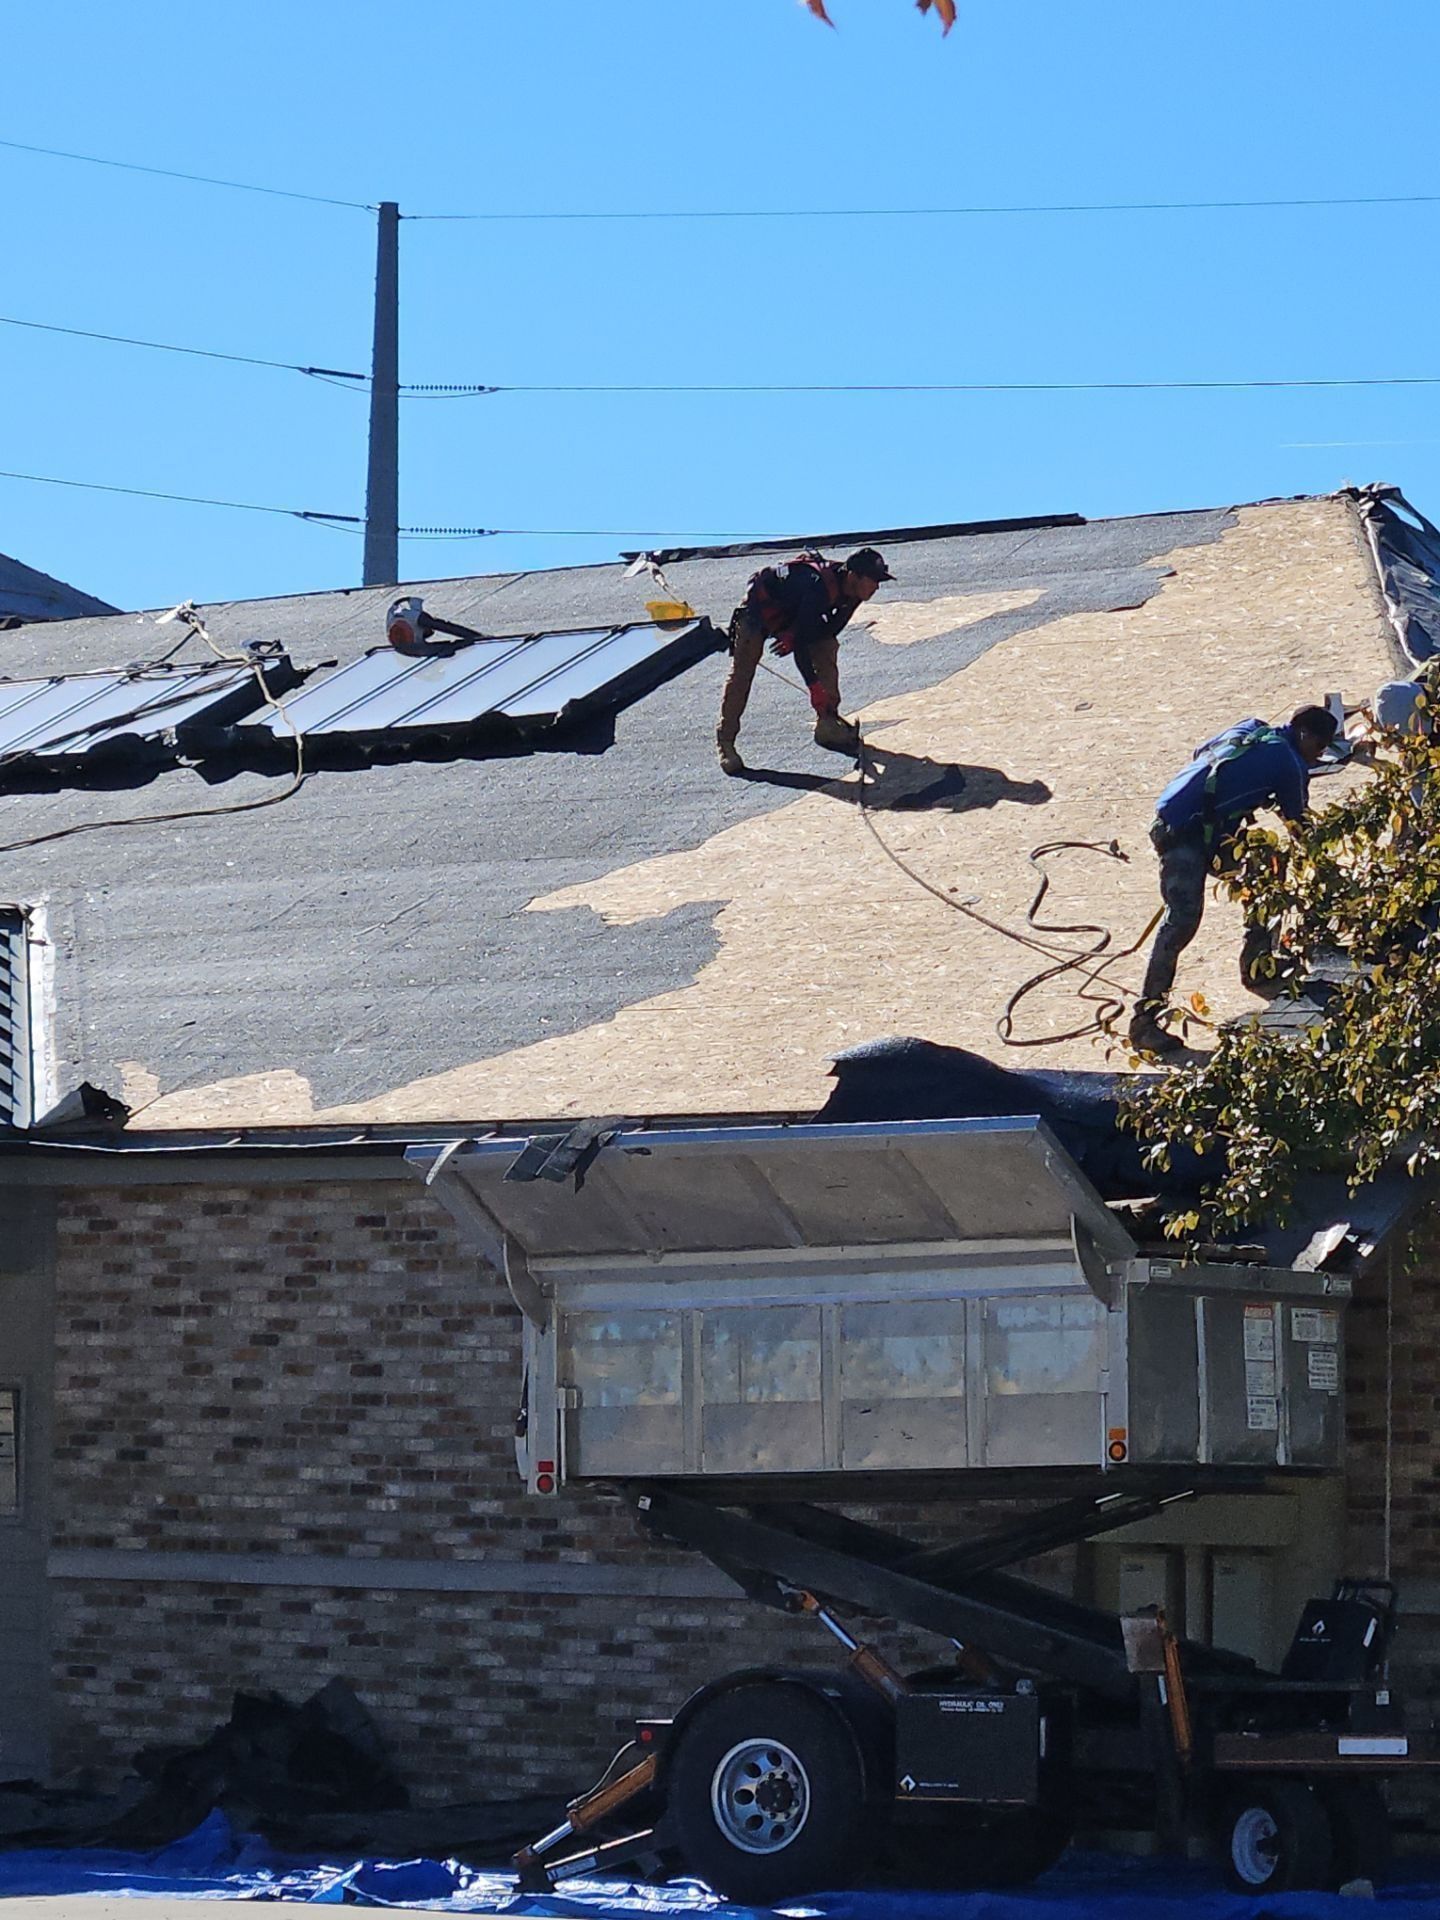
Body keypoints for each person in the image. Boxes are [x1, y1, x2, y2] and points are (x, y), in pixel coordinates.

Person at [1128, 705, 1339, 1055]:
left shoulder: (1250, 729)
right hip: (1185, 837)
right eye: (1319, 748)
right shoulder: (1287, 762)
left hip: (1188, 821)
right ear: (1305, 734)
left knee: (1266, 871)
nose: (1319, 756)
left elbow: (1204, 755)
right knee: (1180, 922)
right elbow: (1299, 826)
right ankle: (1144, 1022)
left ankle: (1258, 966)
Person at [716, 547, 894, 775]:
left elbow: (825, 632)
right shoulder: (818, 584)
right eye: (873, 580)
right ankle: (726, 741)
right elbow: (801, 645)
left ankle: (827, 723)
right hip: (758, 611)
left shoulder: (854, 595)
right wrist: (814, 687)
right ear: (853, 576)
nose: (876, 587)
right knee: (742, 673)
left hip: (796, 617)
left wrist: (820, 687)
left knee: (827, 646)